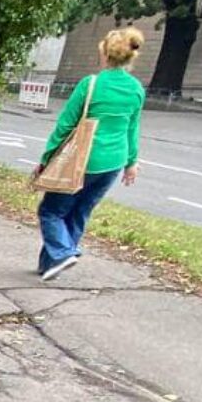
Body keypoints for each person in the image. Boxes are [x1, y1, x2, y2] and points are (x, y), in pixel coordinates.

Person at [32, 27, 145, 281]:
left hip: (82, 159)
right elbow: (132, 128)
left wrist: (46, 159)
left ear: (105, 54)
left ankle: (62, 254)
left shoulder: (91, 84)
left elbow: (65, 125)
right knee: (79, 212)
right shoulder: (136, 89)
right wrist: (131, 162)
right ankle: (50, 264)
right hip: (114, 162)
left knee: (51, 211)